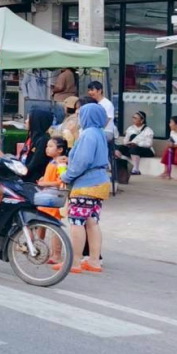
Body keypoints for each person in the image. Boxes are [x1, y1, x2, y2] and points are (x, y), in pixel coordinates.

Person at [60, 102, 112, 273]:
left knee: (77, 222)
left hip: (86, 184)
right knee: (92, 222)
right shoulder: (99, 133)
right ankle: (94, 261)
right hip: (100, 182)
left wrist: (66, 176)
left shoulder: (88, 134)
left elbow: (82, 161)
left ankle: (74, 262)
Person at [114, 111, 155, 177]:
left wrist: (137, 143)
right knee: (118, 148)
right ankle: (118, 167)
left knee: (134, 149)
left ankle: (136, 169)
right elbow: (125, 141)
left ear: (142, 120)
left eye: (135, 118)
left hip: (146, 150)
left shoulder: (148, 130)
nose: (133, 119)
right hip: (132, 148)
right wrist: (127, 143)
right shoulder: (130, 128)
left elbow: (148, 144)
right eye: (133, 117)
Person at [21, 109, 55, 183]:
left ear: (35, 122)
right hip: (23, 175)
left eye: (28, 119)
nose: (25, 121)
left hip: (33, 180)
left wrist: (20, 172)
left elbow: (35, 163)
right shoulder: (31, 137)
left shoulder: (43, 140)